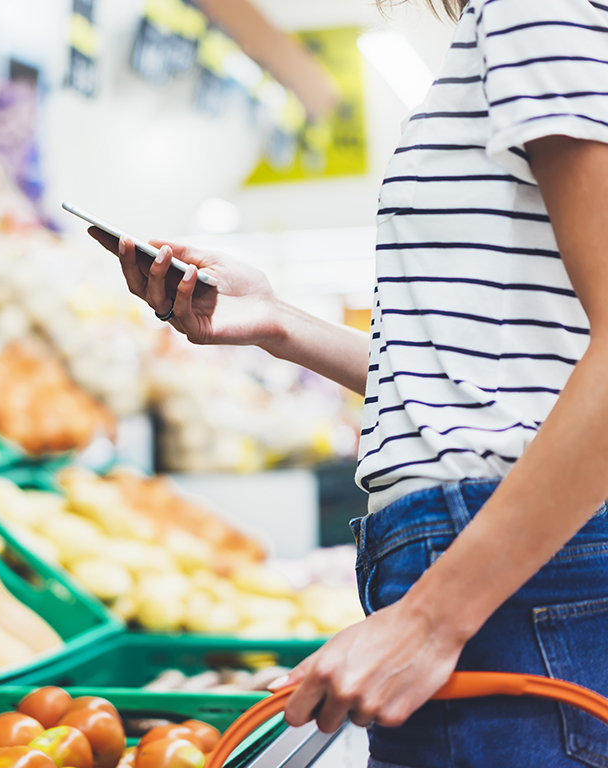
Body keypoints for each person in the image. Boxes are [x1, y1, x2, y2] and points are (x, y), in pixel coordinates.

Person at [99, 0, 608, 764]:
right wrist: (278, 323)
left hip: (500, 572)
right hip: (507, 570)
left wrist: (433, 618)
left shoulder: (533, 9)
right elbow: (502, 378)